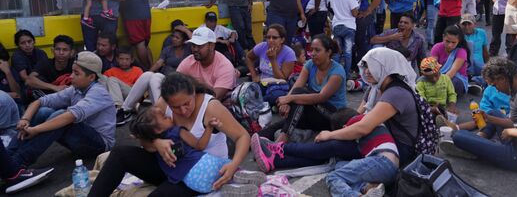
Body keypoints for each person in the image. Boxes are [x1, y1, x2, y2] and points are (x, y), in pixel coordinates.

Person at [89, 73, 251, 196]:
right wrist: (157, 142)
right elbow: (143, 136)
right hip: (169, 166)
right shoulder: (162, 106)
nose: (183, 111)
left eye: (186, 104)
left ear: (193, 92)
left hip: (198, 175)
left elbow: (242, 136)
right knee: (119, 154)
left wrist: (233, 165)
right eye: (176, 107)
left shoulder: (211, 107)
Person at [440, 57, 517, 172]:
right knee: (493, 113)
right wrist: (488, 118)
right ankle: (480, 142)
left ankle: (477, 147)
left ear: (502, 78)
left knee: (459, 136)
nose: (496, 90)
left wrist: (510, 131)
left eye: (495, 85)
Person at [8, 51, 115, 168]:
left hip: (99, 145)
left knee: (63, 116)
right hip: (81, 138)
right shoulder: (75, 89)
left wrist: (36, 130)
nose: (71, 76)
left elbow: (70, 116)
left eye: (76, 73)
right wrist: (25, 119)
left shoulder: (98, 92)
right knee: (44, 112)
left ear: (91, 77)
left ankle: (17, 164)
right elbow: (39, 101)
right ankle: (7, 156)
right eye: (72, 72)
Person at [251, 114, 397, 196]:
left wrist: (330, 134)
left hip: (381, 161)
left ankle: (355, 196)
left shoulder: (360, 121)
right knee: (338, 165)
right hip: (386, 167)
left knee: (333, 176)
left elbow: (352, 130)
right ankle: (368, 188)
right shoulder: (372, 127)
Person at [259, 35, 346, 142]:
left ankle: (281, 141)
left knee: (298, 96)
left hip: (333, 117)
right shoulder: (310, 65)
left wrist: (290, 99)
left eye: (317, 50)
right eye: (311, 50)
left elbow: (321, 97)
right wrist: (286, 103)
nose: (312, 53)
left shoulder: (337, 72)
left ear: (328, 52)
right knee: (284, 122)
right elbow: (297, 86)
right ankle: (252, 140)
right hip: (315, 113)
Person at [128, 107, 232, 195]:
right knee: (225, 169)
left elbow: (145, 145)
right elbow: (199, 145)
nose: (169, 117)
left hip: (194, 183)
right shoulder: (177, 131)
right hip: (205, 164)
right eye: (165, 117)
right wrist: (209, 128)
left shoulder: (152, 146)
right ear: (157, 130)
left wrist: (147, 138)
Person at [176, 27, 237, 101]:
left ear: (212, 46)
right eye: (193, 45)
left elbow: (214, 97)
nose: (195, 49)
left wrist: (195, 84)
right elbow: (174, 82)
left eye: (200, 46)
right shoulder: (189, 60)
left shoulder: (225, 66)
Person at [25, 35, 74, 100]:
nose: (61, 53)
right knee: (43, 110)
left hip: (69, 98)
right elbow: (29, 80)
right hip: (49, 98)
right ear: (52, 50)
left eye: (65, 50)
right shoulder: (45, 63)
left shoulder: (76, 63)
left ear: (71, 52)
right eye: (58, 49)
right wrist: (55, 87)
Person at [330, 0, 359, 78]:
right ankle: (346, 75)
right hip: (349, 27)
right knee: (347, 52)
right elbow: (354, 13)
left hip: (337, 26)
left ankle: (335, 74)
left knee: (337, 52)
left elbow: (334, 9)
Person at [430, 25, 470, 96]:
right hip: (438, 76)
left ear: (458, 41)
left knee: (452, 83)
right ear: (443, 37)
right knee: (421, 80)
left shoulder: (461, 52)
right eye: (447, 41)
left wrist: (437, 84)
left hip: (455, 78)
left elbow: (452, 71)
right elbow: (432, 67)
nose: (450, 45)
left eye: (453, 42)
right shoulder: (437, 47)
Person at [460, 13, 489, 78]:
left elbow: (485, 51)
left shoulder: (481, 33)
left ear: (474, 24)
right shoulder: (458, 35)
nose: (467, 27)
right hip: (464, 66)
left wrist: (488, 66)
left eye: (469, 24)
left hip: (479, 66)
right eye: (464, 24)